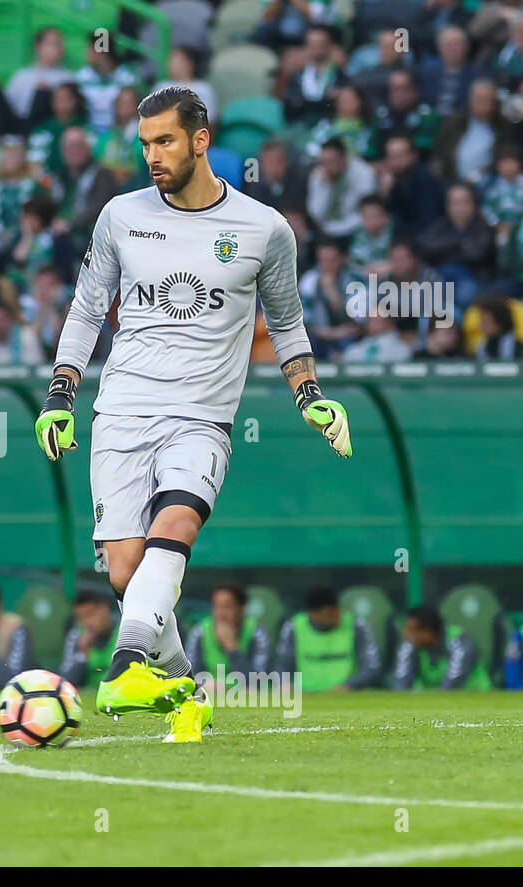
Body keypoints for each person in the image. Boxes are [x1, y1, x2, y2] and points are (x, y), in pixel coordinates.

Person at [35, 86, 353, 744]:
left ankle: (125, 667)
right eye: (145, 143)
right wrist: (60, 395)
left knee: (176, 523)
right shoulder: (120, 216)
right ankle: (186, 690)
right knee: (127, 572)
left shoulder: (264, 229)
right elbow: (87, 309)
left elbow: (288, 326)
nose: (152, 155)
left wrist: (310, 396)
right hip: (121, 410)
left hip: (201, 418)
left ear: (200, 140)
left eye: (165, 141)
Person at [272, 586, 382, 691]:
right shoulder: (294, 627)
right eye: (329, 613)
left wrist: (350, 685)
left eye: (337, 610)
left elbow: (371, 667)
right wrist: (284, 684)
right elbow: (282, 664)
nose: (337, 615)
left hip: (346, 695)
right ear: (313, 613)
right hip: (305, 694)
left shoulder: (356, 626)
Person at [184, 582, 273, 684]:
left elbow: (259, 681)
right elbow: (189, 675)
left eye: (227, 607)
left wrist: (233, 649)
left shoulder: (256, 633)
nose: (221, 614)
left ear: (241, 609)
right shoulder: (200, 632)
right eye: (217, 607)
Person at [391, 605, 490, 690]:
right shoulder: (410, 645)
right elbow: (400, 683)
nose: (406, 634)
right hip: (435, 702)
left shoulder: (459, 642)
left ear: (427, 632)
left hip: (476, 699)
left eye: (412, 630)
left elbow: (454, 682)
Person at [59, 589, 119, 689]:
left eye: (90, 614)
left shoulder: (124, 630)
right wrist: (82, 654)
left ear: (104, 608)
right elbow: (66, 683)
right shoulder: (75, 637)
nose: (86, 622)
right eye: (81, 618)